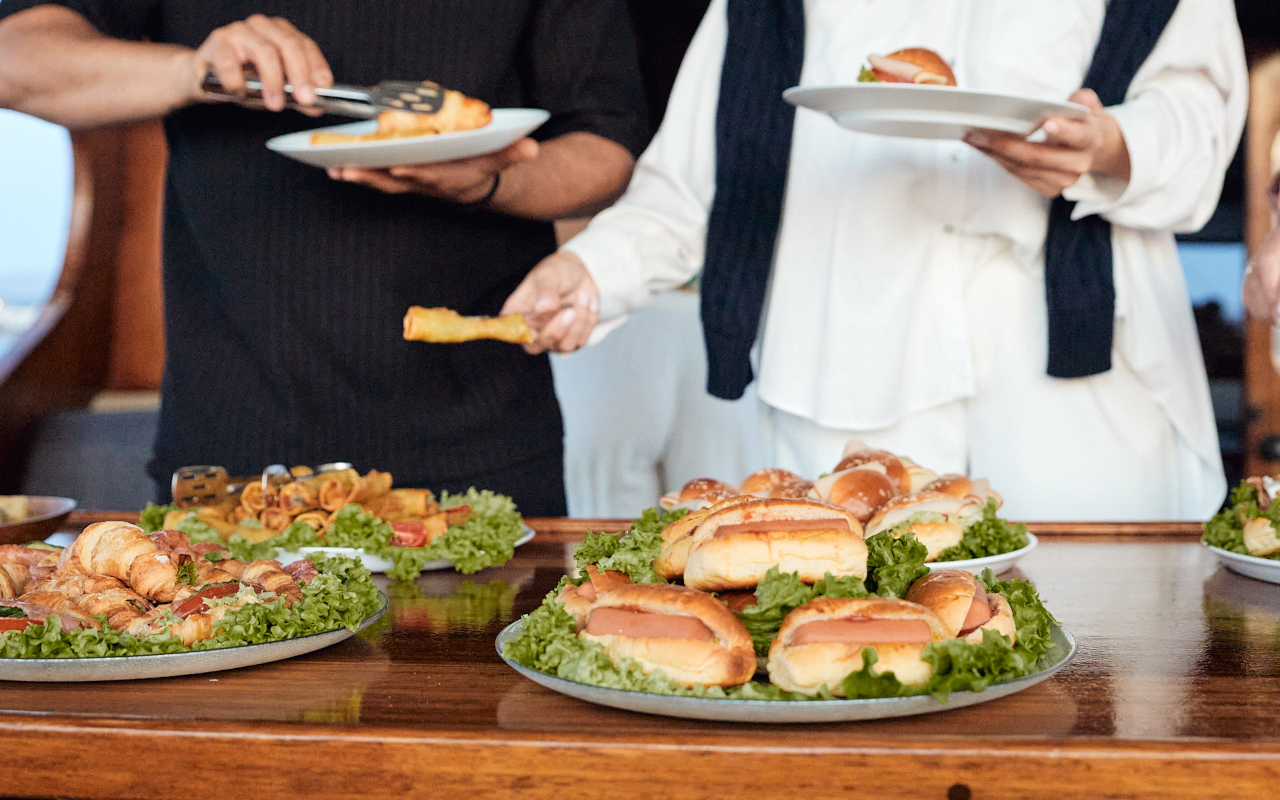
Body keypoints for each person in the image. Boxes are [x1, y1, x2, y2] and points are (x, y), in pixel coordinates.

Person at [503, 0, 1247, 520]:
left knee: (1103, 662)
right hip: (846, 363)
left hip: (1084, 370)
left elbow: (1197, 112)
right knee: (862, 660)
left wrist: (1111, 147)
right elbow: (690, 185)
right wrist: (593, 270)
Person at [0, 0, 648, 516]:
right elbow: (15, 58)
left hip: (481, 460)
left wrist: (486, 181)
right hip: (233, 462)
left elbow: (607, 145)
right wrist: (193, 69)